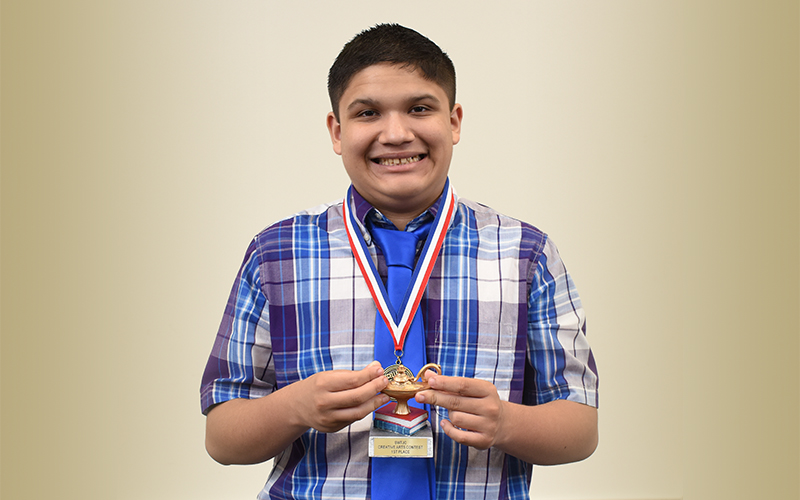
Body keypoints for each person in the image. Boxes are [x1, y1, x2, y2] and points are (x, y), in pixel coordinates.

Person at [200, 23, 598, 500]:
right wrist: (296, 407)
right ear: (337, 130)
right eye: (368, 112)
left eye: (419, 108)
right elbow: (222, 438)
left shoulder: (526, 254)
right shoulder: (275, 254)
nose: (395, 133)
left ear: (453, 122)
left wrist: (507, 422)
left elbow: (581, 426)